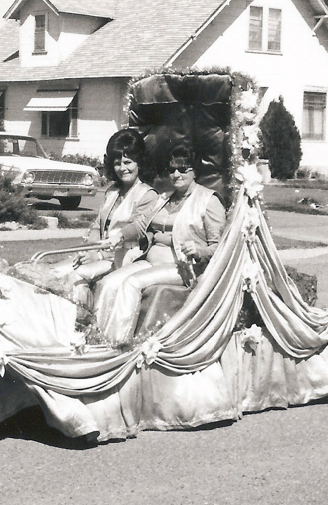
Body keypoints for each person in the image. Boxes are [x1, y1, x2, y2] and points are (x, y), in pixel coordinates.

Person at [94, 144, 227, 345]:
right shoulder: (164, 198)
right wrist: (120, 235)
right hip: (150, 261)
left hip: (183, 268)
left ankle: (117, 344)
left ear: (195, 171)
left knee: (131, 283)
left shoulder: (208, 200)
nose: (176, 174)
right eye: (171, 169)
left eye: (183, 169)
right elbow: (140, 225)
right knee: (108, 282)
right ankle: (97, 337)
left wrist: (199, 251)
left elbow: (220, 247)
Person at [65, 128, 157, 309]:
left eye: (128, 162)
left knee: (77, 275)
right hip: (101, 256)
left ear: (140, 162)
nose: (123, 168)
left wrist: (98, 253)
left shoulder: (148, 194)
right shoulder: (112, 192)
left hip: (125, 260)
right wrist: (89, 252)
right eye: (117, 163)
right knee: (57, 272)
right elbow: (96, 227)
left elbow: (138, 229)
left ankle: (84, 322)